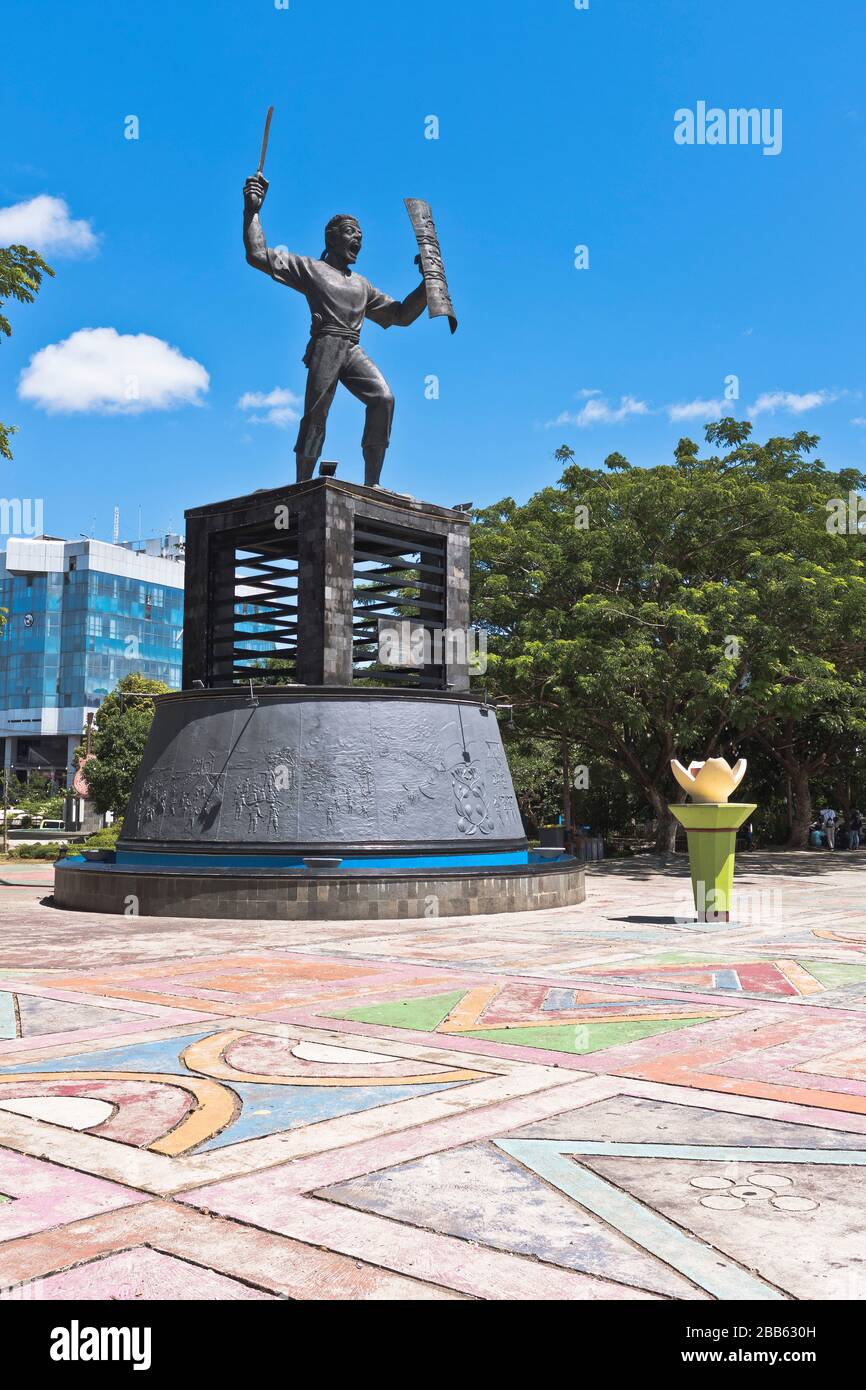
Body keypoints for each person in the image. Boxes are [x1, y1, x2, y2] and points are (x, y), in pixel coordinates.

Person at [242, 174, 428, 488]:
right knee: (316, 417)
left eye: (361, 235)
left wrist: (426, 285)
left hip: (352, 348)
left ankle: (373, 485)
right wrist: (252, 212)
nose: (359, 239)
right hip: (326, 344)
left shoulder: (361, 284)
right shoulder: (311, 269)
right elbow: (258, 255)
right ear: (331, 237)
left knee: (383, 398)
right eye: (351, 232)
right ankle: (303, 482)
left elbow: (400, 315)